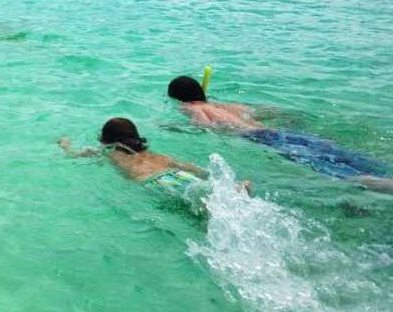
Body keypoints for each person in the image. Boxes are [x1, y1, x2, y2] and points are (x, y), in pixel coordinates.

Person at [167, 75, 393, 193]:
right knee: (344, 156)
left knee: (330, 170)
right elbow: (261, 111)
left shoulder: (192, 108)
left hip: (261, 139)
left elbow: (206, 128)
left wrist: (174, 127)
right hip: (278, 132)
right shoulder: (225, 105)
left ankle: (381, 185)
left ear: (178, 97)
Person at [58, 117, 211, 196]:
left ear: (106, 138)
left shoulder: (108, 153)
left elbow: (73, 155)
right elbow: (189, 167)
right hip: (178, 174)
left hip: (153, 182)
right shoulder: (150, 153)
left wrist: (65, 144)